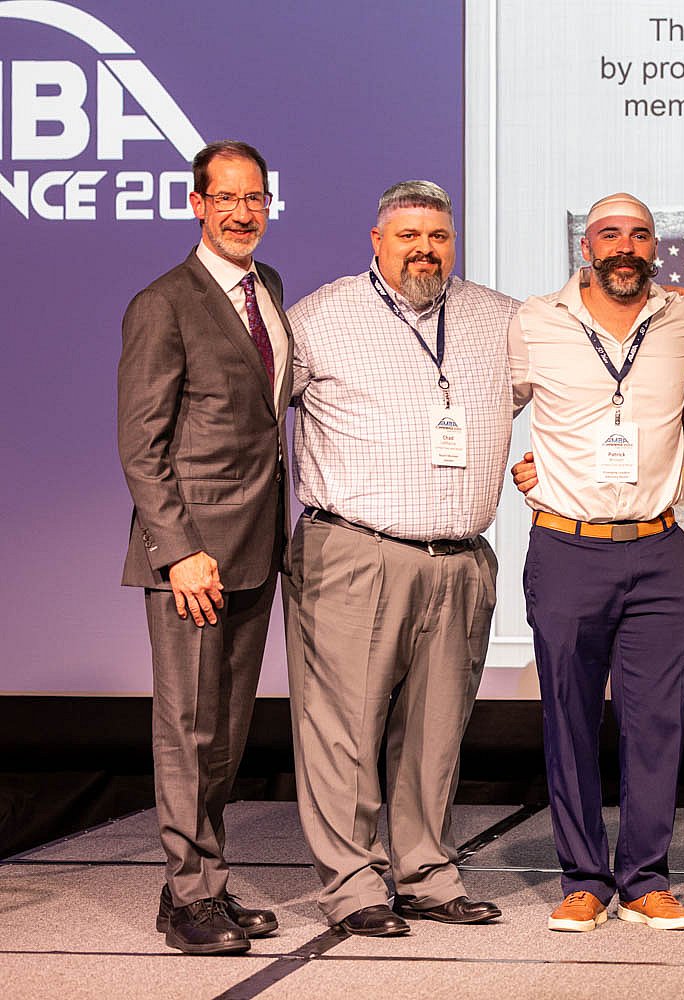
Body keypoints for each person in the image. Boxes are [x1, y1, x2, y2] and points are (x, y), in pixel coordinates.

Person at [285, 180, 515, 936]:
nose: (425, 249)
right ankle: (352, 884)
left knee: (435, 734)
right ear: (376, 241)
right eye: (408, 235)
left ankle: (425, 874)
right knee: (343, 731)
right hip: (357, 552)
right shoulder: (318, 317)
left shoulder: (499, 318)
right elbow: (245, 412)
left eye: (438, 236)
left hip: (461, 559)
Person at [508, 193, 684, 934]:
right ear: (585, 248)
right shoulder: (534, 321)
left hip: (659, 550)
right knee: (569, 719)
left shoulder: (682, 317)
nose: (626, 246)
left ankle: (646, 879)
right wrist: (513, 474)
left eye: (640, 235)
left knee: (657, 724)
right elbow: (488, 408)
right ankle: (584, 879)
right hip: (567, 548)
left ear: (656, 247)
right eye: (610, 234)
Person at [118, 140, 289, 956]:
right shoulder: (164, 301)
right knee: (187, 729)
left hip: (256, 545)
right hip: (193, 559)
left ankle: (203, 886)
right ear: (196, 204)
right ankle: (190, 898)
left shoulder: (269, 287)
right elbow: (141, 443)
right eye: (226, 197)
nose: (241, 212)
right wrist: (177, 550)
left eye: (254, 198)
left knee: (223, 736)